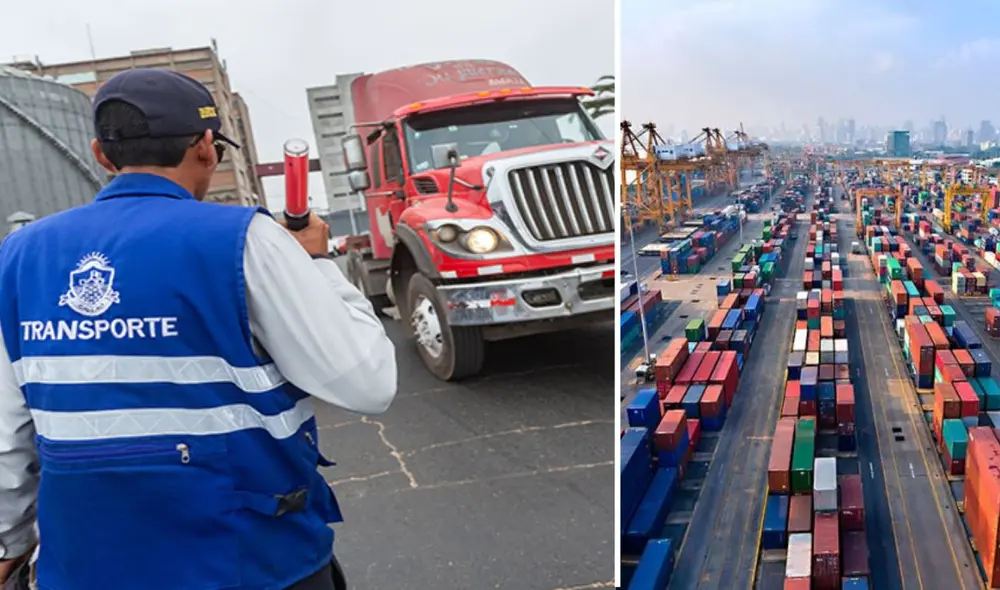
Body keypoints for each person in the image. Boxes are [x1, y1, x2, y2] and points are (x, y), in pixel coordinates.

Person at [0, 68, 398, 590]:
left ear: (101, 154)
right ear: (208, 148)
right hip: (251, 562)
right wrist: (319, 263)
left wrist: (8, 542)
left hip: (85, 569)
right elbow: (366, 382)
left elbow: (9, 434)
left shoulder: (19, 257)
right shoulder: (243, 239)